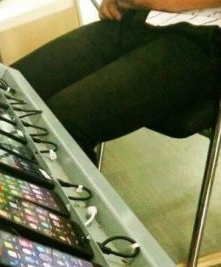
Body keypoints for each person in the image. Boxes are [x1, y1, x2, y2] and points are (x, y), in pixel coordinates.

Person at [12, 0, 221, 163]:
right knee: (12, 90)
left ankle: (51, 204)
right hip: (142, 17)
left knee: (62, 126)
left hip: (205, 40)